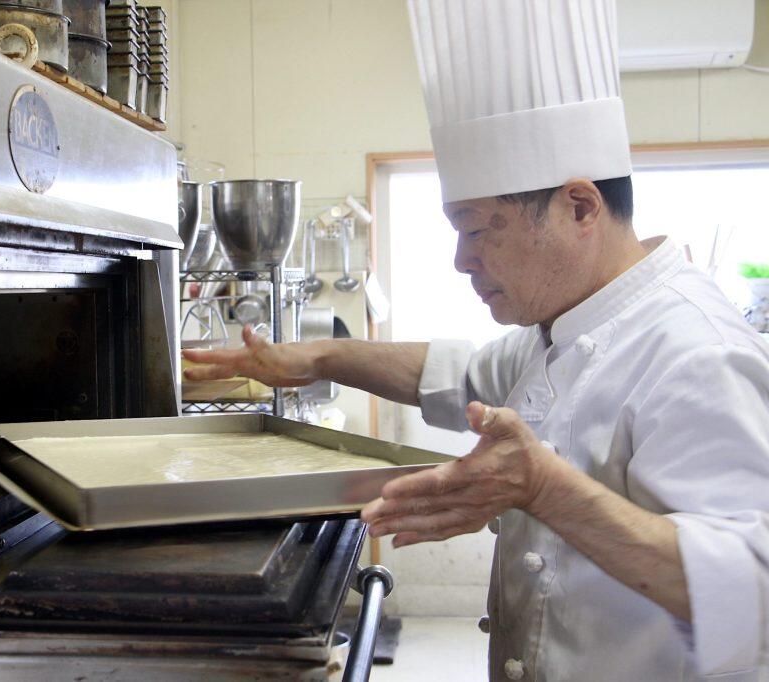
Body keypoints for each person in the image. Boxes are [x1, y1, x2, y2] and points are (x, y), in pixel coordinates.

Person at [183, 2, 769, 680]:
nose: (462, 261)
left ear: (579, 207)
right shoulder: (564, 324)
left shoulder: (695, 350)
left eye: (478, 229)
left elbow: (753, 588)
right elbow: (454, 374)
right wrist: (315, 357)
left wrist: (546, 490)